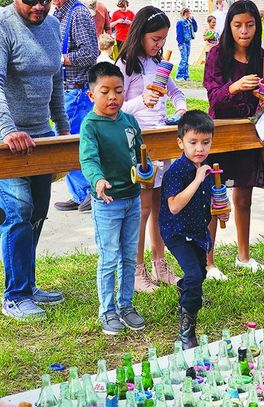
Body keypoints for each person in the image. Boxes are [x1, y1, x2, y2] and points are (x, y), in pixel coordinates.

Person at [0, 0, 70, 321]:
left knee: (38, 211)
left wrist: (64, 129)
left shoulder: (53, 26)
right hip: (8, 140)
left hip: (42, 137)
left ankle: (27, 284)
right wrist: (7, 130)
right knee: (18, 211)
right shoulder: (4, 25)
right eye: (31, 1)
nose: (39, 7)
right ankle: (15, 295)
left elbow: (56, 81)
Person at [116, 5, 187, 293]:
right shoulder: (126, 66)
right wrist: (140, 100)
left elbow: (176, 92)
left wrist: (181, 110)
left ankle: (160, 264)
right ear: (140, 34)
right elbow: (116, 108)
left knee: (160, 205)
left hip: (162, 141)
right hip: (138, 142)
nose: (159, 45)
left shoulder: (159, 66)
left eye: (163, 40)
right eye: (155, 39)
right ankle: (136, 270)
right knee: (142, 209)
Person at [203, 0, 264, 276]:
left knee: (243, 197)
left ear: (257, 27)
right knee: (215, 199)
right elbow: (213, 98)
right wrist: (234, 86)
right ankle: (208, 263)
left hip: (249, 133)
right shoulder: (217, 56)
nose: (244, 31)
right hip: (220, 133)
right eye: (237, 25)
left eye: (250, 25)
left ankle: (243, 257)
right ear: (228, 26)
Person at [79, 62, 146, 335]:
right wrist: (98, 180)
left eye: (118, 91)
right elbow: (88, 159)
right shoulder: (90, 125)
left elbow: (141, 152)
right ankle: (107, 311)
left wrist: (147, 169)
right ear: (91, 95)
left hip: (133, 199)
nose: (113, 97)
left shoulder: (129, 121)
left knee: (129, 256)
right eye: (105, 91)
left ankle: (126, 305)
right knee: (109, 258)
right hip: (107, 203)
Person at [159, 110, 229, 349]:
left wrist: (221, 209)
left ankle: (189, 293)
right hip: (177, 232)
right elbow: (175, 206)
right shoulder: (177, 172)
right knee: (194, 275)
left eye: (206, 143)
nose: (200, 148)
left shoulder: (207, 170)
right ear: (180, 142)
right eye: (193, 142)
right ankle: (186, 332)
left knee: (198, 274)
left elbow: (211, 200)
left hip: (198, 232)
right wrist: (198, 179)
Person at [52, 0, 98, 213]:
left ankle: (92, 190)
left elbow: (90, 53)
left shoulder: (77, 13)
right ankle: (79, 193)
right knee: (69, 142)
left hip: (77, 89)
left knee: (70, 142)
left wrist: (60, 58)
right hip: (63, 89)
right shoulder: (58, 12)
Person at [175, 7, 198, 81]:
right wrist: (180, 44)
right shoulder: (180, 22)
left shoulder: (190, 22)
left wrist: (193, 20)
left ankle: (186, 76)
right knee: (183, 59)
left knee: (187, 59)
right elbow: (179, 34)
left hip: (188, 42)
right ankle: (179, 76)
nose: (189, 14)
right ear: (184, 13)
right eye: (188, 13)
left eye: (189, 13)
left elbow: (195, 29)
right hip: (183, 42)